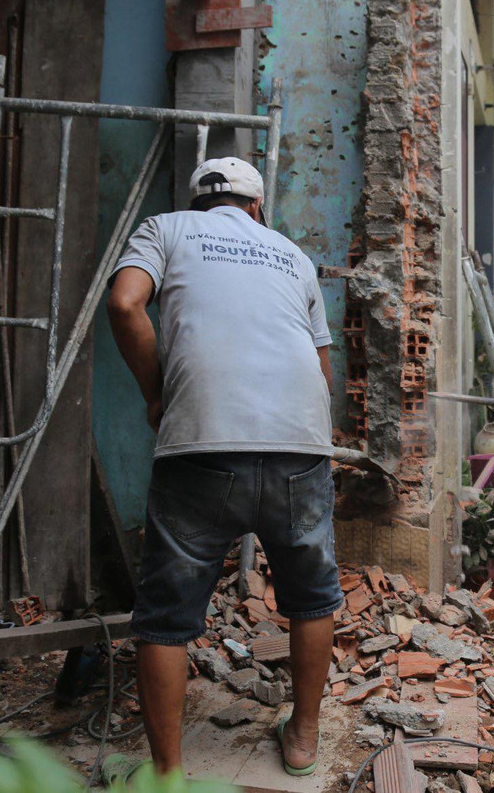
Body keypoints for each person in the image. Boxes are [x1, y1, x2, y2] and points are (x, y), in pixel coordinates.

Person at [107, 158, 340, 778]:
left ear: (199, 202)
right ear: (257, 207)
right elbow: (322, 373)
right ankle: (304, 737)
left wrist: (157, 395)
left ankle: (166, 775)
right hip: (300, 445)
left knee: (166, 617)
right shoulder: (292, 255)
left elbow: (125, 305)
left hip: (201, 446)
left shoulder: (167, 228)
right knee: (312, 598)